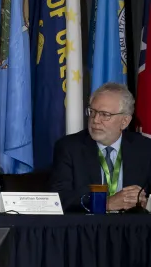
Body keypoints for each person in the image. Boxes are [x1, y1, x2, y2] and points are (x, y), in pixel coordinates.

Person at [49, 83, 151, 212]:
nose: (95, 120)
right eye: (92, 112)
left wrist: (145, 202)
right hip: (88, 229)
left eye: (105, 114)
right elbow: (58, 199)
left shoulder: (145, 148)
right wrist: (106, 203)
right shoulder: (69, 147)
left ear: (124, 121)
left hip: (133, 229)